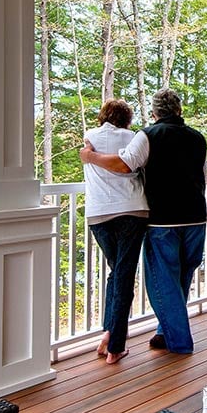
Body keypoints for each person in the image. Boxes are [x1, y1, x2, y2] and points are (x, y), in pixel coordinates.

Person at [80, 88, 207, 354]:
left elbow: (125, 165)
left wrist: (91, 157)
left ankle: (180, 342)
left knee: (162, 283)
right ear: (179, 110)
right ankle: (164, 332)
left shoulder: (148, 135)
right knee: (182, 277)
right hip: (196, 217)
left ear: (154, 112)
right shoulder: (198, 138)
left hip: (164, 220)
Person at [80, 99, 149, 364]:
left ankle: (109, 334)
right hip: (132, 211)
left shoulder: (90, 137)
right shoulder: (133, 138)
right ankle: (115, 347)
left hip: (99, 214)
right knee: (123, 275)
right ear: (127, 118)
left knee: (116, 273)